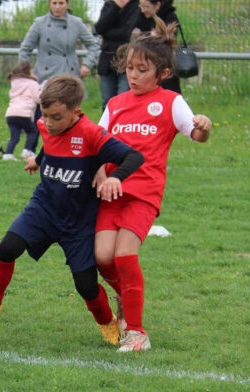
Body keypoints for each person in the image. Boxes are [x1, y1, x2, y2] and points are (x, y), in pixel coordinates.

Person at [0, 74, 144, 347]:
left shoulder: (92, 134)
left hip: (79, 220)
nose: (48, 123)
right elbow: (50, 142)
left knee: (85, 285)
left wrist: (116, 176)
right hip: (44, 208)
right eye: (45, 115)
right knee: (7, 248)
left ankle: (107, 322)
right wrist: (39, 160)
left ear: (76, 111)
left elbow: (134, 156)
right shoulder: (46, 125)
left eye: (57, 117)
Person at [94, 16, 211, 352]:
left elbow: (197, 134)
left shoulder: (171, 102)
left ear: (162, 73)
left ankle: (137, 333)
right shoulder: (114, 105)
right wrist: (101, 173)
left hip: (143, 195)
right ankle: (126, 299)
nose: (133, 75)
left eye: (141, 69)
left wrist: (203, 125)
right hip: (111, 193)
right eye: (130, 68)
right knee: (103, 258)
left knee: (125, 256)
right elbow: (98, 145)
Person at [18, 0, 100, 87]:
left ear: (67, 4)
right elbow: (25, 49)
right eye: (54, 3)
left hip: (70, 76)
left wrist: (87, 64)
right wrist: (26, 71)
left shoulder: (76, 23)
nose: (57, 7)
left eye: (61, 3)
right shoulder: (39, 23)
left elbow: (93, 45)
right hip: (44, 77)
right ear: (49, 4)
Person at [94, 0, 140, 111]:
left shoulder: (136, 6)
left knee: (123, 100)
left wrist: (107, 33)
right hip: (107, 60)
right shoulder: (109, 5)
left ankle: (122, 126)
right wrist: (116, 6)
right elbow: (99, 28)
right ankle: (107, 127)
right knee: (107, 102)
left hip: (127, 60)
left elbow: (127, 32)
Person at [133, 0, 181, 93]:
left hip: (162, 62)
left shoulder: (169, 17)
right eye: (141, 6)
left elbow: (170, 39)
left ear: (157, 5)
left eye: (146, 7)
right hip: (143, 63)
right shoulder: (139, 17)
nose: (143, 10)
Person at [3, 62, 40, 161]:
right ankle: (27, 151)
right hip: (24, 113)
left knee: (14, 137)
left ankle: (8, 154)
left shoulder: (14, 82)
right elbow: (37, 98)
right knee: (32, 132)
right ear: (28, 72)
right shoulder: (32, 83)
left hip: (10, 114)